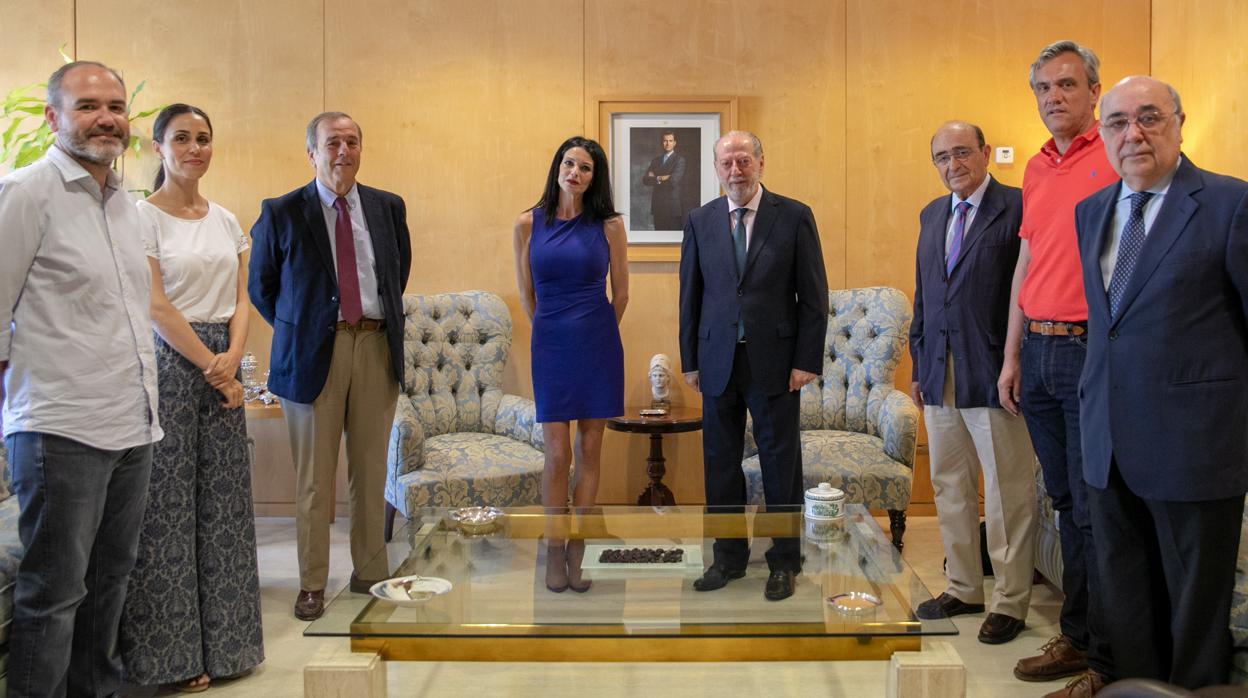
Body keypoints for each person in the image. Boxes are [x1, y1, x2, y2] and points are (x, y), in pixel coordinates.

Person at [1076, 76, 1248, 689]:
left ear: (1180, 122)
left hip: (1196, 446)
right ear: (1103, 134)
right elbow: (1111, 328)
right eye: (1118, 122)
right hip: (1109, 442)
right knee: (1127, 600)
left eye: (1149, 117)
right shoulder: (1092, 210)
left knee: (1194, 611)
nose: (1134, 134)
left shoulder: (1231, 204)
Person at [0, 60, 161, 697]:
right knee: (53, 595)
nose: (106, 118)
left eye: (116, 106)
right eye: (88, 105)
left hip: (131, 423)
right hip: (59, 427)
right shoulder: (25, 193)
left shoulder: (128, 207)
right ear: (53, 117)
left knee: (110, 584)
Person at [118, 104, 264, 692]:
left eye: (204, 138)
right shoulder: (139, 218)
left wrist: (232, 360)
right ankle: (173, 661)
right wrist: (214, 368)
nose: (195, 148)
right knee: (169, 511)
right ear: (158, 147)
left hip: (223, 360)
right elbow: (154, 307)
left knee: (226, 508)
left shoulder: (228, 220)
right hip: (170, 365)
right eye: (182, 138)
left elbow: (242, 301)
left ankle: (232, 648)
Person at [248, 111, 412, 621]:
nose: (343, 150)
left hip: (376, 347)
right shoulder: (281, 211)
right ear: (312, 153)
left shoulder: (387, 207)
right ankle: (313, 583)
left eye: (352, 141)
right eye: (332, 142)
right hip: (312, 357)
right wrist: (304, 328)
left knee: (370, 472)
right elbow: (262, 287)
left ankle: (370, 574)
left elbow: (396, 273)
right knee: (315, 481)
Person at [996, 40, 1119, 697]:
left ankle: (1106, 655)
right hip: (1038, 354)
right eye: (1044, 88)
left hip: (1087, 350)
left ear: (1094, 92)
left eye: (1067, 86)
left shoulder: (1117, 154)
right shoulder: (1037, 169)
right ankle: (1076, 634)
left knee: (1095, 504)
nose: (1054, 99)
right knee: (1066, 501)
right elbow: (1026, 264)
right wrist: (1013, 355)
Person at [678, 130, 828, 602]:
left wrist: (806, 361)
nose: (735, 171)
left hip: (778, 364)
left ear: (762, 162)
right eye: (727, 163)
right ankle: (728, 558)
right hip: (717, 362)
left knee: (780, 464)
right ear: (716, 168)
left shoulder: (795, 216)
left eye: (744, 161)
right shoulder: (700, 221)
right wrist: (689, 361)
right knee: (719, 465)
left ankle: (784, 560)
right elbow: (690, 297)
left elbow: (814, 298)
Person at [910, 121, 1036, 645]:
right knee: (949, 482)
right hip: (939, 369)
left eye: (962, 153)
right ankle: (963, 586)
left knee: (1007, 492)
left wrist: (1017, 360)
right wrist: (919, 364)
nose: (952, 164)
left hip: (993, 370)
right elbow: (924, 290)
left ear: (986, 153)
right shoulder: (932, 213)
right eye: (942, 157)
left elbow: (1028, 289)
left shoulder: (1018, 206)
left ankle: (1010, 599)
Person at [513, 136, 628, 593]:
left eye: (585, 167)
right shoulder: (527, 223)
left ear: (594, 177)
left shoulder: (610, 225)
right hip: (551, 343)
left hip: (597, 342)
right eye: (568, 163)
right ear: (556, 168)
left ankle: (579, 546)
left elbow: (621, 294)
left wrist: (597, 329)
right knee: (557, 454)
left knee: (590, 450)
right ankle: (553, 548)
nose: (575, 172)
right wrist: (550, 329)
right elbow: (526, 293)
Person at [642, 131, 687, 230]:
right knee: (658, 238)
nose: (667, 143)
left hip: (672, 207)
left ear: (674, 143)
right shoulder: (655, 161)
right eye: (665, 141)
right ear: (662, 143)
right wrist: (661, 177)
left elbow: (673, 180)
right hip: (658, 206)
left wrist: (655, 177)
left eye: (670, 141)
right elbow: (645, 180)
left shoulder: (679, 160)